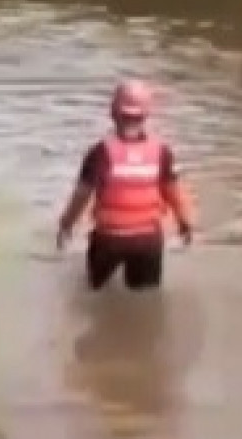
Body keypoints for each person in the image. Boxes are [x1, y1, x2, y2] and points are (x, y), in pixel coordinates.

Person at [56, 80, 196, 291]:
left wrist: (66, 225)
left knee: (95, 295)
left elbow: (81, 195)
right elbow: (174, 192)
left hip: (108, 240)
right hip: (148, 241)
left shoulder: (100, 152)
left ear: (113, 112)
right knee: (144, 299)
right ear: (146, 114)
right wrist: (185, 224)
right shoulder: (161, 152)